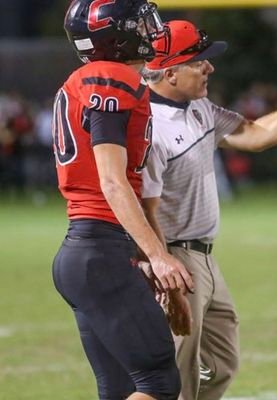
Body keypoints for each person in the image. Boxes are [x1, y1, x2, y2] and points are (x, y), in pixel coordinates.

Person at [140, 20, 277, 400]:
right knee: (176, 375)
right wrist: (162, 264)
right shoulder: (147, 126)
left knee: (223, 365)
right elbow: (145, 208)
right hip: (175, 257)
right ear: (170, 73)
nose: (209, 67)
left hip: (206, 257)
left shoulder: (197, 107)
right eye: (199, 62)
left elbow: (256, 134)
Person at [51, 2, 194, 400]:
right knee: (159, 383)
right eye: (142, 23)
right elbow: (112, 182)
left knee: (120, 389)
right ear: (116, 35)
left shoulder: (85, 79)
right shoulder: (110, 76)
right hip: (100, 251)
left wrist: (147, 256)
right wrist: (159, 256)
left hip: (88, 250)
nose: (152, 30)